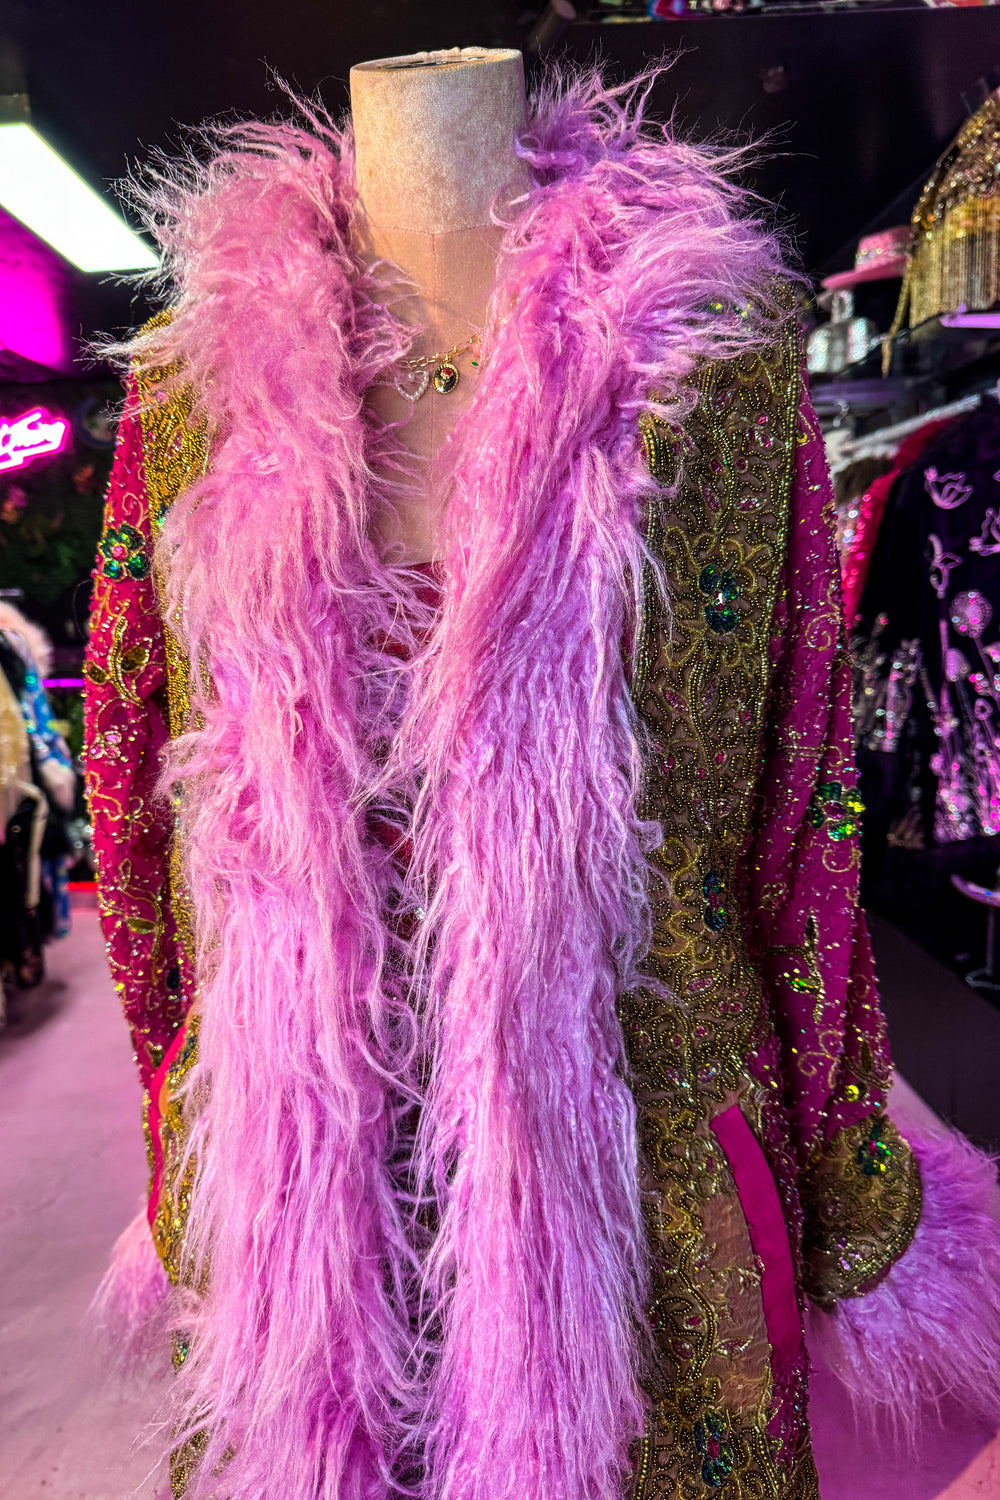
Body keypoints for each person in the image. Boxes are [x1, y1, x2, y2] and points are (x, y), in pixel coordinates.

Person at [84, 57, 1000, 1500]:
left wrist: (841, 1181)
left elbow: (803, 812)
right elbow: (138, 815)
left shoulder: (717, 367)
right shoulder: (192, 398)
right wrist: (189, 1152)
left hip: (653, 1188)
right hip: (312, 1203)